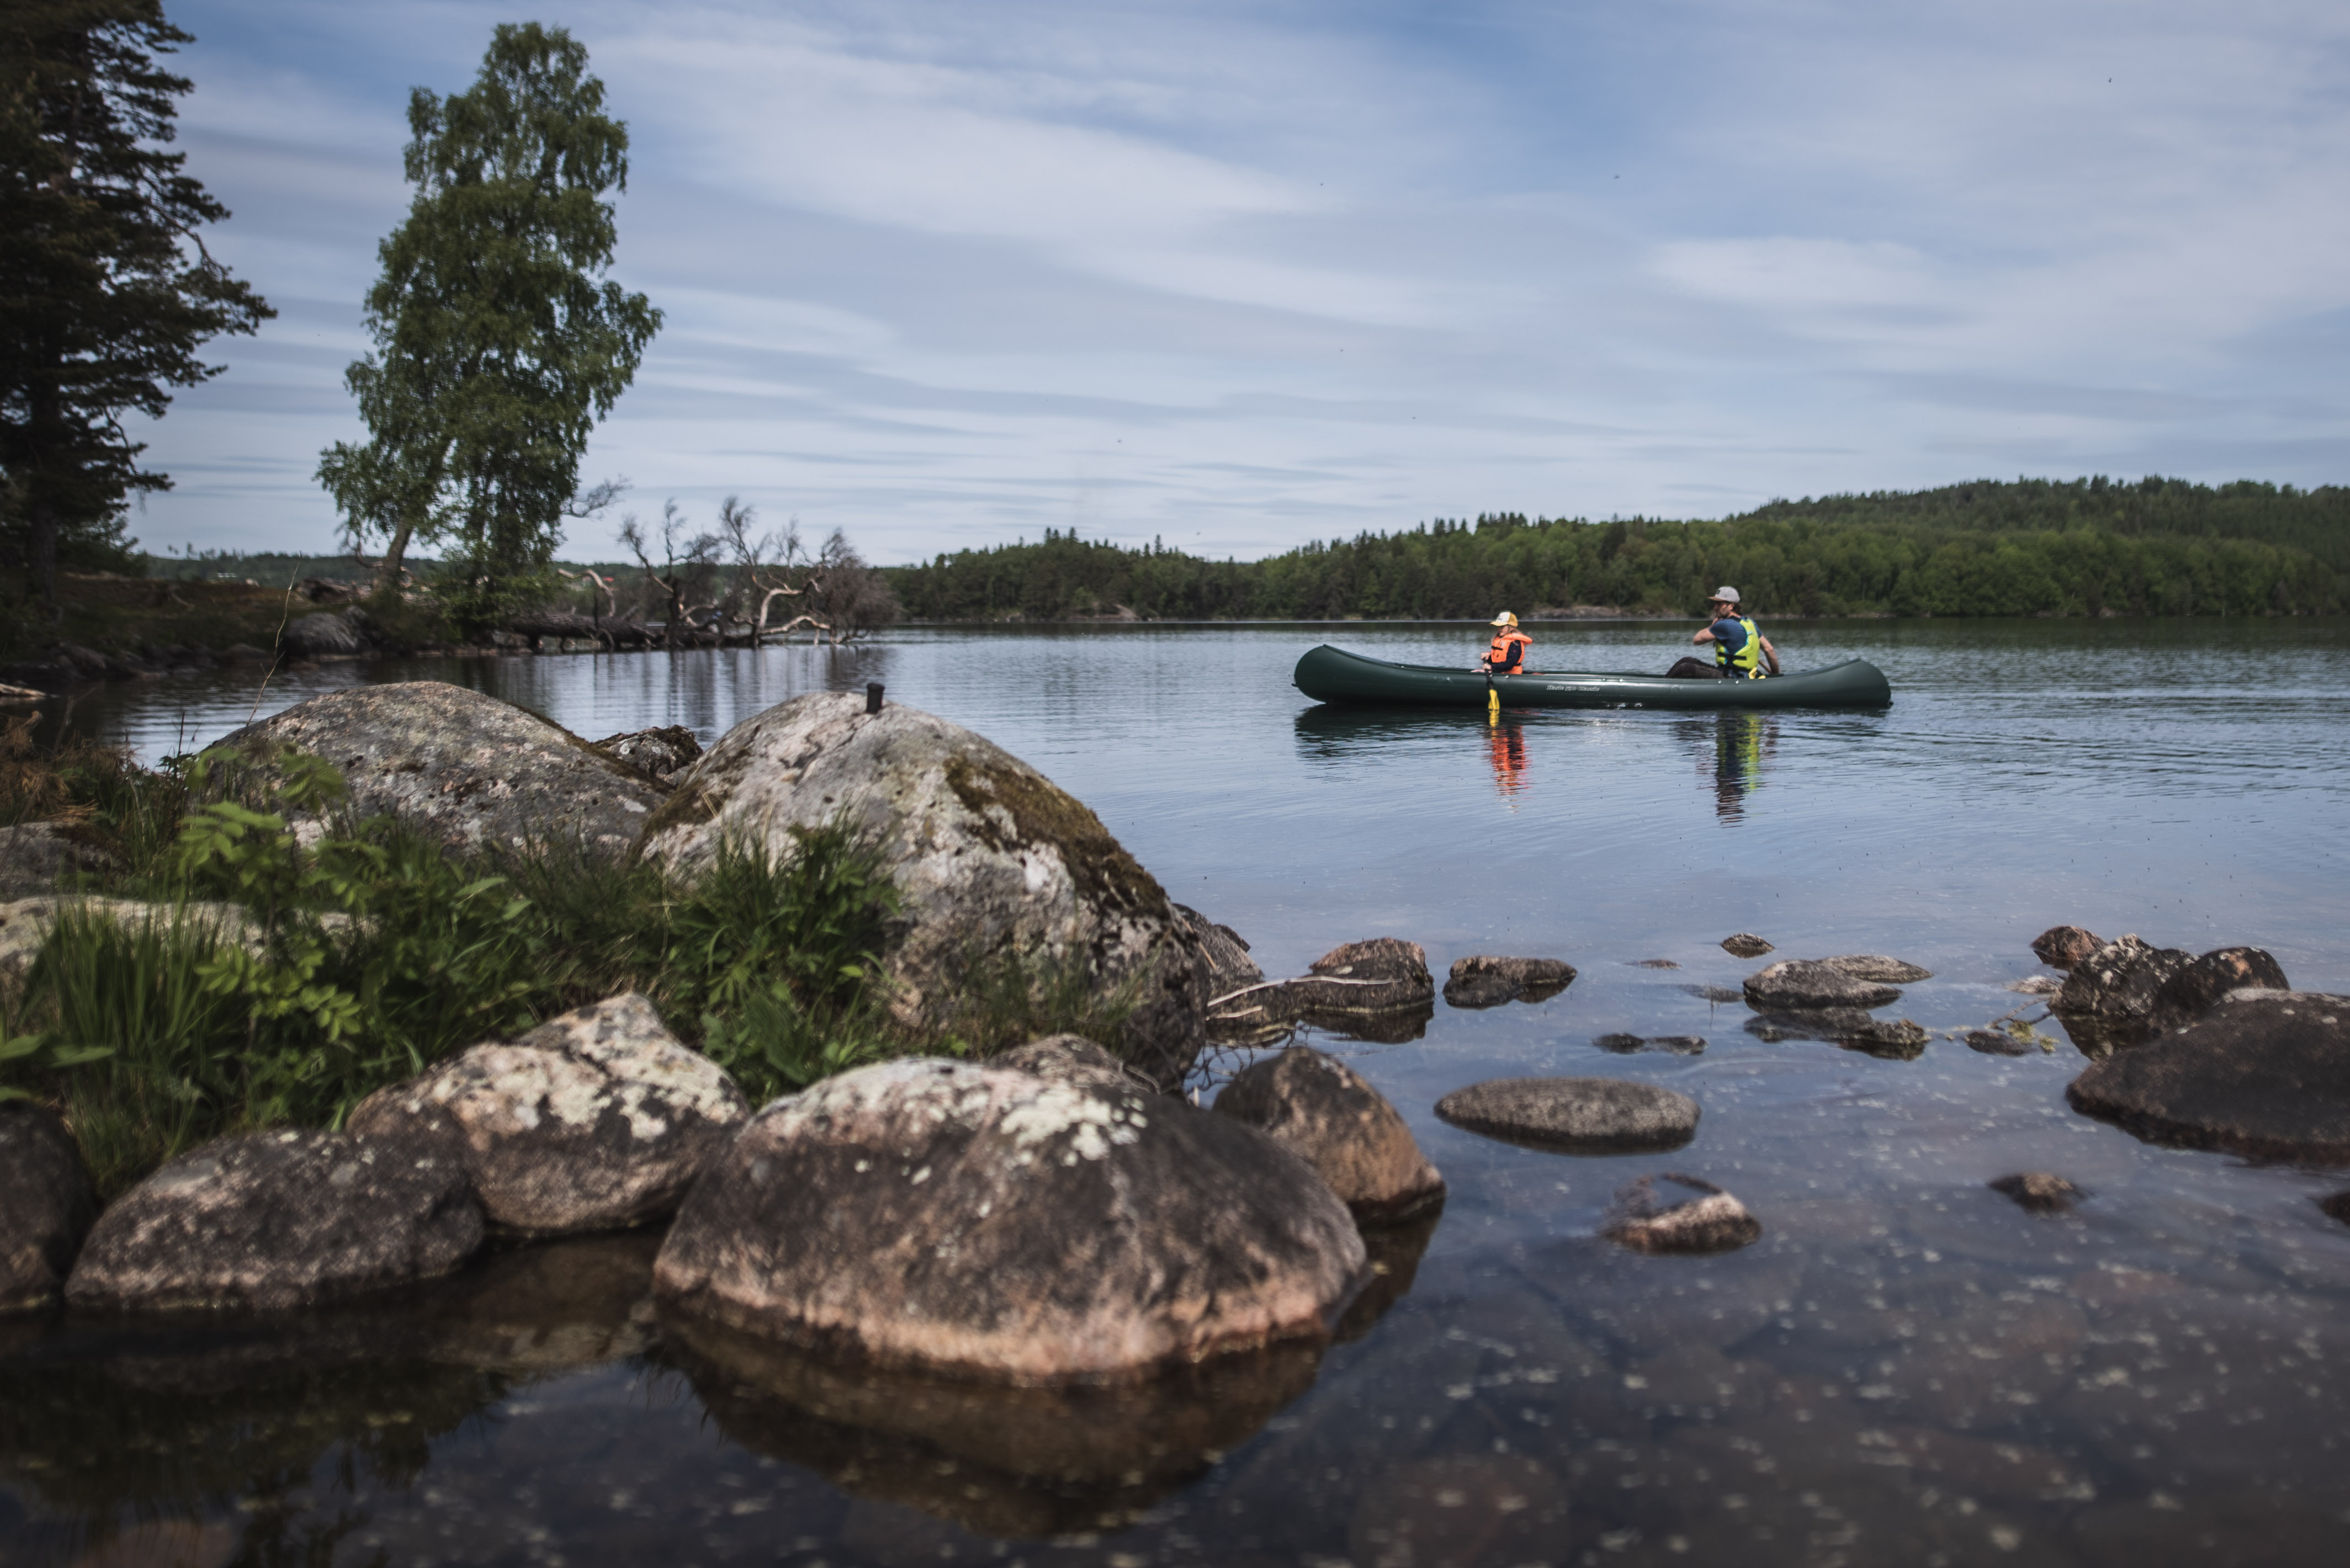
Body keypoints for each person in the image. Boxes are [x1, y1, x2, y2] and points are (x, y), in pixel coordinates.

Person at [1668, 587, 1779, 679]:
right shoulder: (1750, 623)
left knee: (1686, 668)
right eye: (1715, 604)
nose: (1715, 608)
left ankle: (1661, 689)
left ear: (1731, 606)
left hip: (1731, 677)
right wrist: (1775, 676)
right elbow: (1769, 649)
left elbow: (1697, 640)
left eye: (1719, 604)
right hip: (1747, 676)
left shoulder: (1724, 625)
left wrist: (1713, 625)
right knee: (1687, 660)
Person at [1478, 611, 1532, 676]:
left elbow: (1510, 663)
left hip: (1512, 676)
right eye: (1498, 626)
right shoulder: (1499, 640)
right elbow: (1497, 661)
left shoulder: (1515, 643)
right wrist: (1489, 657)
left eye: (1502, 626)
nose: (1499, 628)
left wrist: (1491, 668)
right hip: (1500, 674)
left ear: (1511, 628)